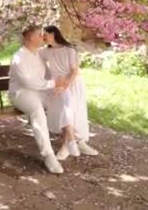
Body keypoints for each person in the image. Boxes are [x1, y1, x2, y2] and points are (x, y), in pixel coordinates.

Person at [8, 24, 69, 174]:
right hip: (21, 93)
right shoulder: (19, 57)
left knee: (63, 101)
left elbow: (48, 75)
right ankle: (48, 155)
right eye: (39, 35)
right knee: (37, 110)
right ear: (30, 37)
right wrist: (53, 83)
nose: (43, 37)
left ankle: (73, 140)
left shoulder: (38, 55)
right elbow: (28, 83)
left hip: (39, 91)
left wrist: (59, 86)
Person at [40, 25, 99, 160]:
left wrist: (65, 85)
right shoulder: (45, 52)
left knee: (73, 111)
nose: (43, 37)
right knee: (66, 110)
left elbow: (74, 72)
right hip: (57, 85)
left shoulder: (69, 50)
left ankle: (72, 144)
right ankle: (70, 143)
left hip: (72, 84)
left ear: (54, 34)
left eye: (45, 34)